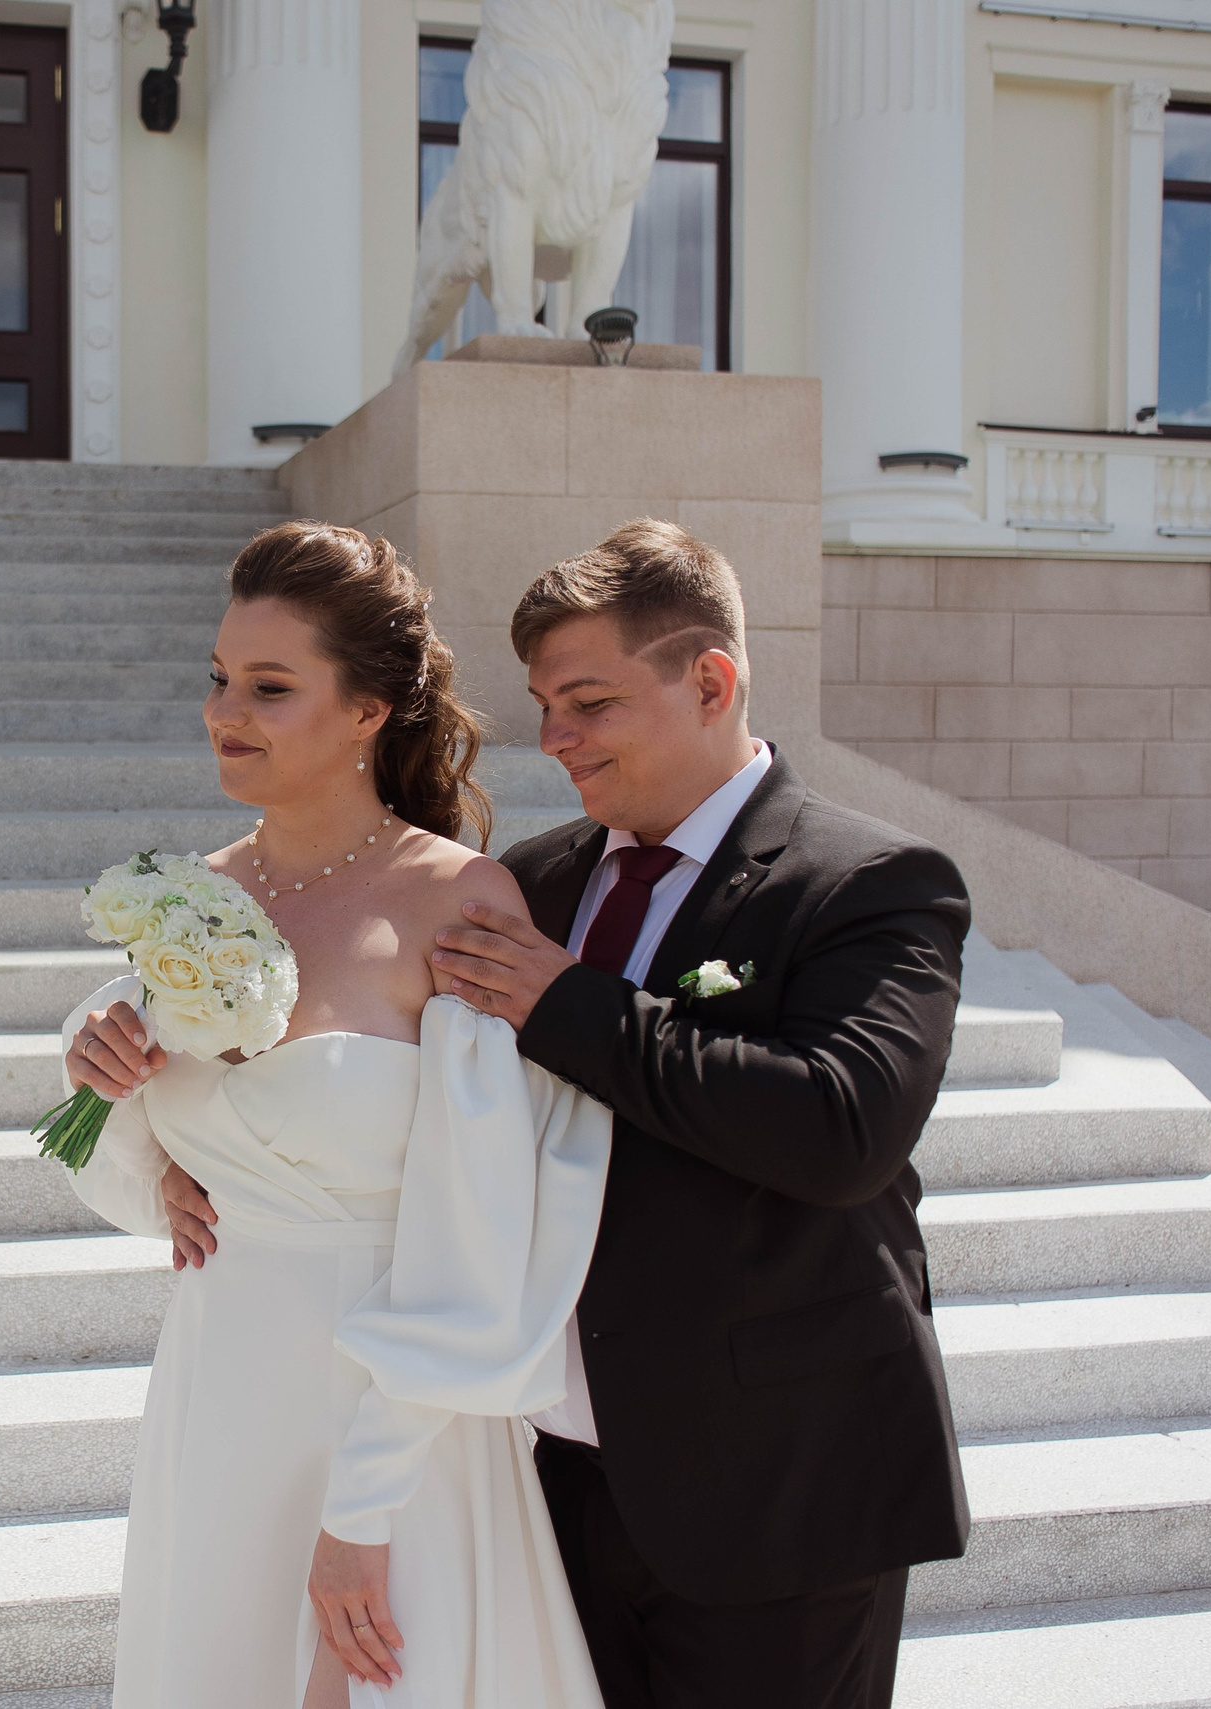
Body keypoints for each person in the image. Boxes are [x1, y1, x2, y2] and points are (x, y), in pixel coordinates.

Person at [59, 520, 615, 1709]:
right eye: (218, 678)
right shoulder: (190, 902)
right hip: (221, 1388)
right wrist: (119, 1110)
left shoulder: (457, 900)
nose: (227, 709)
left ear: (368, 710)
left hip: (395, 1414)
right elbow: (138, 1153)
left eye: (270, 686)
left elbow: (488, 1229)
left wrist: (364, 1507)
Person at [419, 518, 972, 1709]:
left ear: (710, 680)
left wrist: (571, 1003)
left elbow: (841, 1127)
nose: (552, 737)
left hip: (784, 1485)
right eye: (542, 703)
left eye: (588, 702)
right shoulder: (540, 879)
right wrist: (187, 1128)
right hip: (561, 1469)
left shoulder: (873, 881)